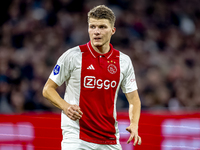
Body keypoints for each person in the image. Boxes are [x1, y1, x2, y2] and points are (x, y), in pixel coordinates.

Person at [43, 5, 141, 150]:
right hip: (76, 137)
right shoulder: (72, 56)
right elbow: (47, 89)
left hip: (109, 138)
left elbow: (134, 99)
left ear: (113, 30)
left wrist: (134, 124)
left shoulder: (123, 61)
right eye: (92, 26)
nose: (96, 32)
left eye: (102, 27)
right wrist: (66, 106)